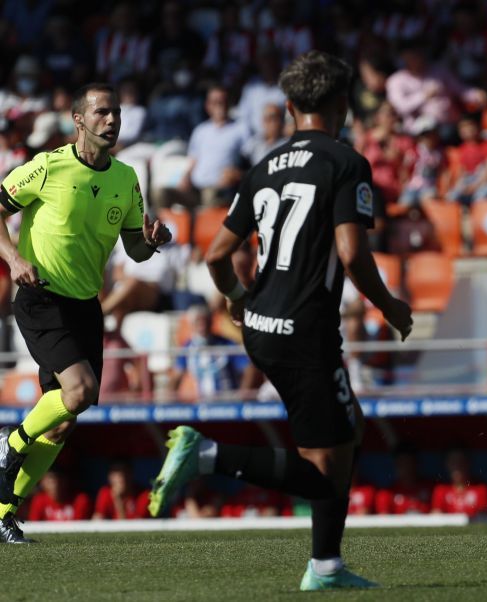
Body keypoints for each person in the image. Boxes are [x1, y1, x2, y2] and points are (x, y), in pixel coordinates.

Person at [148, 51, 412, 591]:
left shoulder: (264, 165)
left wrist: (236, 299)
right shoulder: (345, 162)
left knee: (347, 431)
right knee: (324, 469)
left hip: (262, 326)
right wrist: (390, 306)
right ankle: (207, 455)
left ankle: (327, 565)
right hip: (305, 329)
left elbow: (217, 255)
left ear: (289, 107)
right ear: (343, 106)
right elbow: (352, 252)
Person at [0, 82, 172, 544]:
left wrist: (152, 241)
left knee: (61, 422)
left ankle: (1, 509)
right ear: (79, 120)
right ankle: (9, 442)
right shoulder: (48, 166)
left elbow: (135, 250)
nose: (111, 120)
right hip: (41, 296)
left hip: (84, 305)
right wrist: (14, 259)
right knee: (80, 391)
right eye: (101, 113)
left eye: (115, 112)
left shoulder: (126, 178)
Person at [181, 85, 245, 207]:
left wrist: (238, 173)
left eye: (222, 101)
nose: (219, 105)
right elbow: (193, 159)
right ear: (207, 105)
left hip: (220, 189)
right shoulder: (200, 130)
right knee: (161, 194)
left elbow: (250, 158)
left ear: (228, 103)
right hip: (195, 187)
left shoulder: (240, 128)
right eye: (215, 102)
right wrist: (185, 176)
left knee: (210, 196)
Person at [430, 449, 487, 517]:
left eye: (461, 461)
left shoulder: (481, 488)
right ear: (446, 464)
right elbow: (436, 515)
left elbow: (484, 517)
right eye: (453, 462)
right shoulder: (440, 490)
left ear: (468, 463)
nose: (457, 466)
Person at [27, 470, 91, 521]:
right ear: (42, 482)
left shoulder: (80, 500)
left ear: (66, 480)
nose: (55, 484)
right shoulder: (39, 500)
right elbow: (34, 526)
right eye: (50, 479)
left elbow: (80, 527)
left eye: (59, 478)